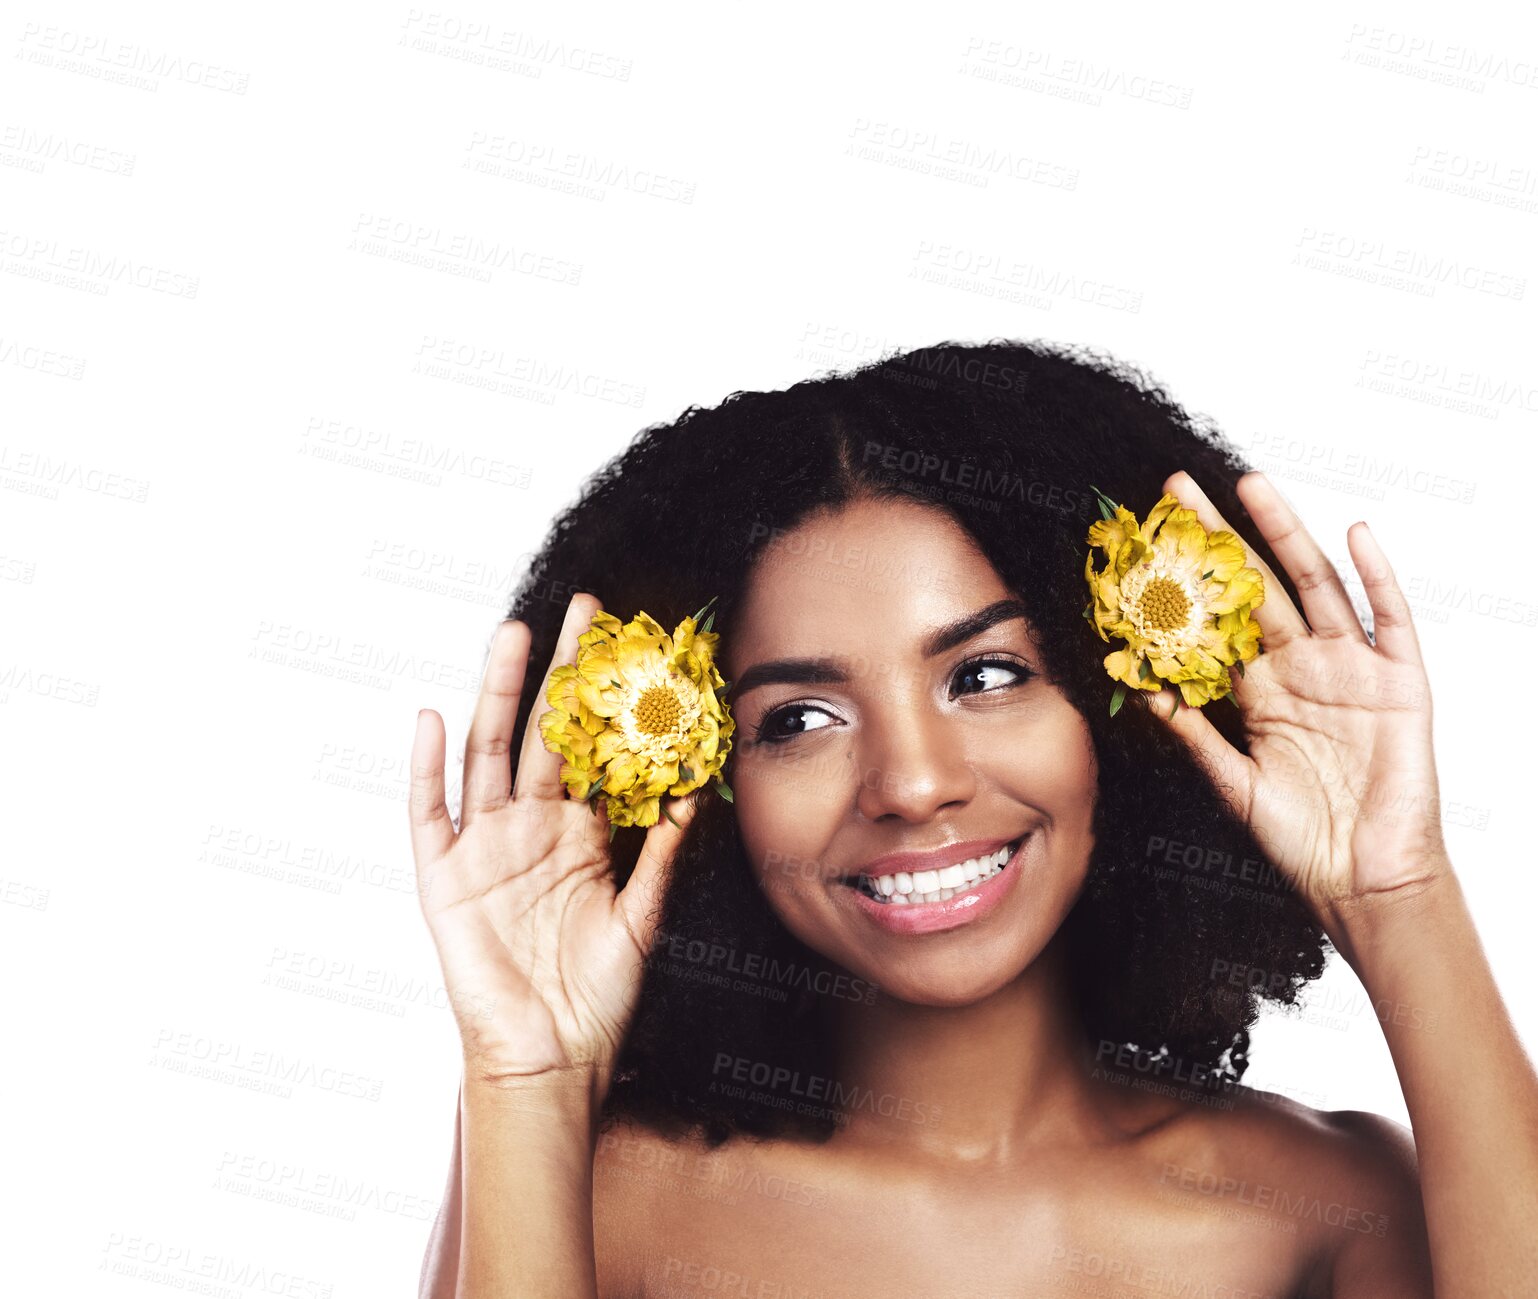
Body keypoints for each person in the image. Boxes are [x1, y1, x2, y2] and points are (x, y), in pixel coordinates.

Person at [406, 341, 1537, 1297]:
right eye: (798, 717)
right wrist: (528, 1080)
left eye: (986, 675)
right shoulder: (606, 1198)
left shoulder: (1321, 1208)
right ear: (701, 786)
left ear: (1123, 712)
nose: (909, 782)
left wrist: (1397, 895)